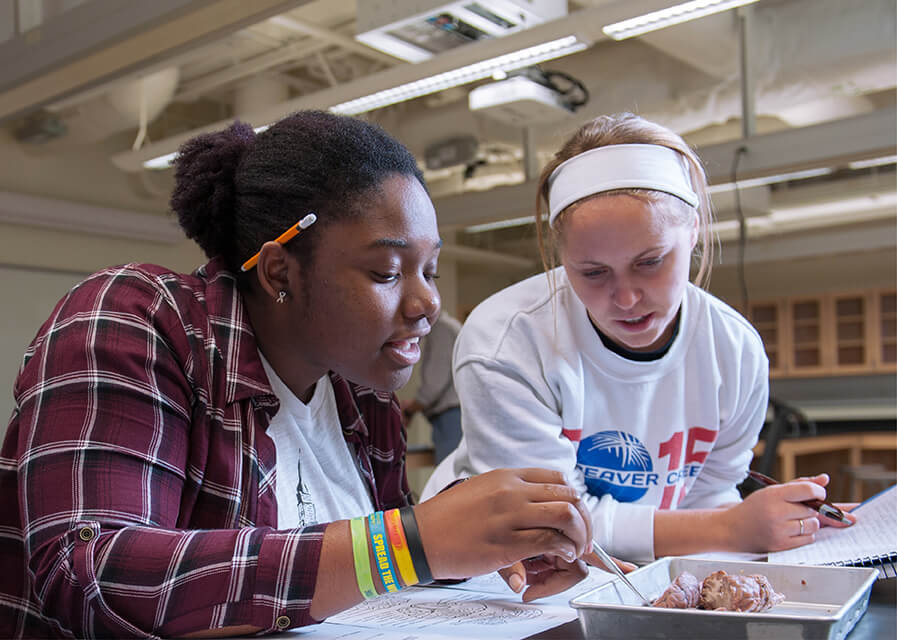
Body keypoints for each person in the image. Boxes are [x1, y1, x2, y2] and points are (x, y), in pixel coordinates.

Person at [0, 111, 597, 639]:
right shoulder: (139, 319)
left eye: (431, 270)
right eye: (388, 272)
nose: (427, 304)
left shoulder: (363, 398)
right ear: (280, 271)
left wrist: (470, 550)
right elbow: (88, 576)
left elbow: (369, 582)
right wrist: (411, 543)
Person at [422, 113, 854, 564]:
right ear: (560, 255)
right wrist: (732, 527)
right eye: (592, 273)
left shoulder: (736, 351)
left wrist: (755, 525)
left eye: (650, 262)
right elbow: (546, 523)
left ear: (693, 232)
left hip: (645, 568)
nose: (625, 299)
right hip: (492, 575)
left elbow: (706, 496)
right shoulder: (508, 340)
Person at [401, 312, 463, 464]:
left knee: (451, 478)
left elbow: (435, 382)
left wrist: (410, 409)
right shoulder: (450, 325)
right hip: (454, 416)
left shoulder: (441, 329)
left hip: (451, 418)